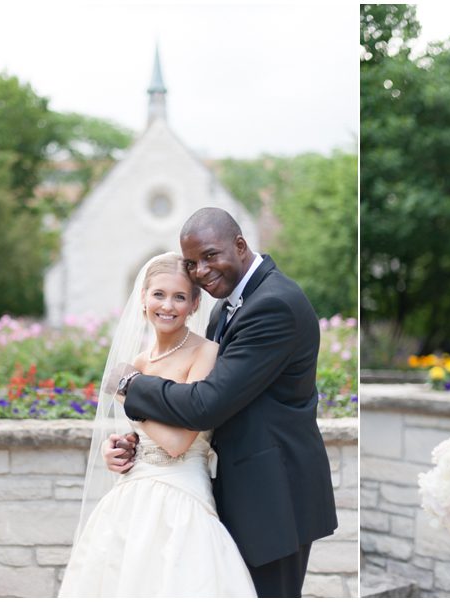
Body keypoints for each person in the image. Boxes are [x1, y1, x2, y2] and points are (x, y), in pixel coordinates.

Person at [109, 208, 338, 598]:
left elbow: (206, 404)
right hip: (235, 491)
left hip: (274, 496)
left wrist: (131, 385)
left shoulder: (274, 304)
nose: (200, 271)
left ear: (240, 245)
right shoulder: (225, 310)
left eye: (210, 256)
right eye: (192, 263)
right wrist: (139, 441)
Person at [59, 252, 256, 597]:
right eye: (159, 295)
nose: (168, 305)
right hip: (132, 493)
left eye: (180, 296)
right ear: (143, 299)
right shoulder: (137, 363)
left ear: (195, 304)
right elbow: (142, 434)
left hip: (183, 491)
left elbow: (178, 442)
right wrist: (117, 448)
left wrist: (127, 396)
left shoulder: (205, 354)